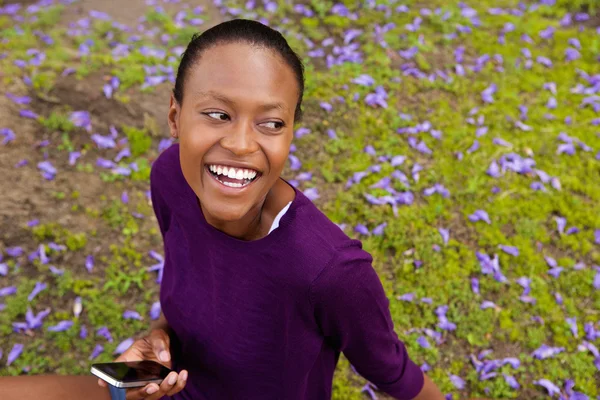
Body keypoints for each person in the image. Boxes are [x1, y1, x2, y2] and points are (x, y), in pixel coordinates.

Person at [2, 19, 444, 400]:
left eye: (271, 123)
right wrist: (158, 340)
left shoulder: (330, 271)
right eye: (217, 114)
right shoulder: (171, 179)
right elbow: (194, 295)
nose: (240, 144)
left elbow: (396, 374)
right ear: (175, 117)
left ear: (290, 132)